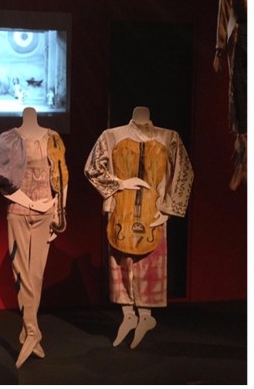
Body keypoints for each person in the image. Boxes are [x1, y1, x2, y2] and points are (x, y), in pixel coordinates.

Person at [84, 106, 193, 349]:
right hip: (121, 213)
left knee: (149, 264)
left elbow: (184, 172)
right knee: (121, 263)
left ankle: (145, 316)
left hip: (153, 213)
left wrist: (169, 209)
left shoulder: (169, 137)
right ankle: (128, 314)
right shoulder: (111, 136)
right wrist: (120, 184)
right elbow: (92, 168)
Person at [0, 107, 68, 368]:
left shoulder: (53, 137)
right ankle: (33, 332)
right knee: (21, 272)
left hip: (47, 210)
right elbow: (2, 182)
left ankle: (28, 330)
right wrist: (34, 205)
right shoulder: (8, 139)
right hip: (19, 210)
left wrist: (58, 212)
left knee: (37, 275)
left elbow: (63, 178)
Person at [213, 0, 247, 191]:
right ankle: (243, 153)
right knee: (240, 91)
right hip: (240, 34)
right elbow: (224, 9)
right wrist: (219, 49)